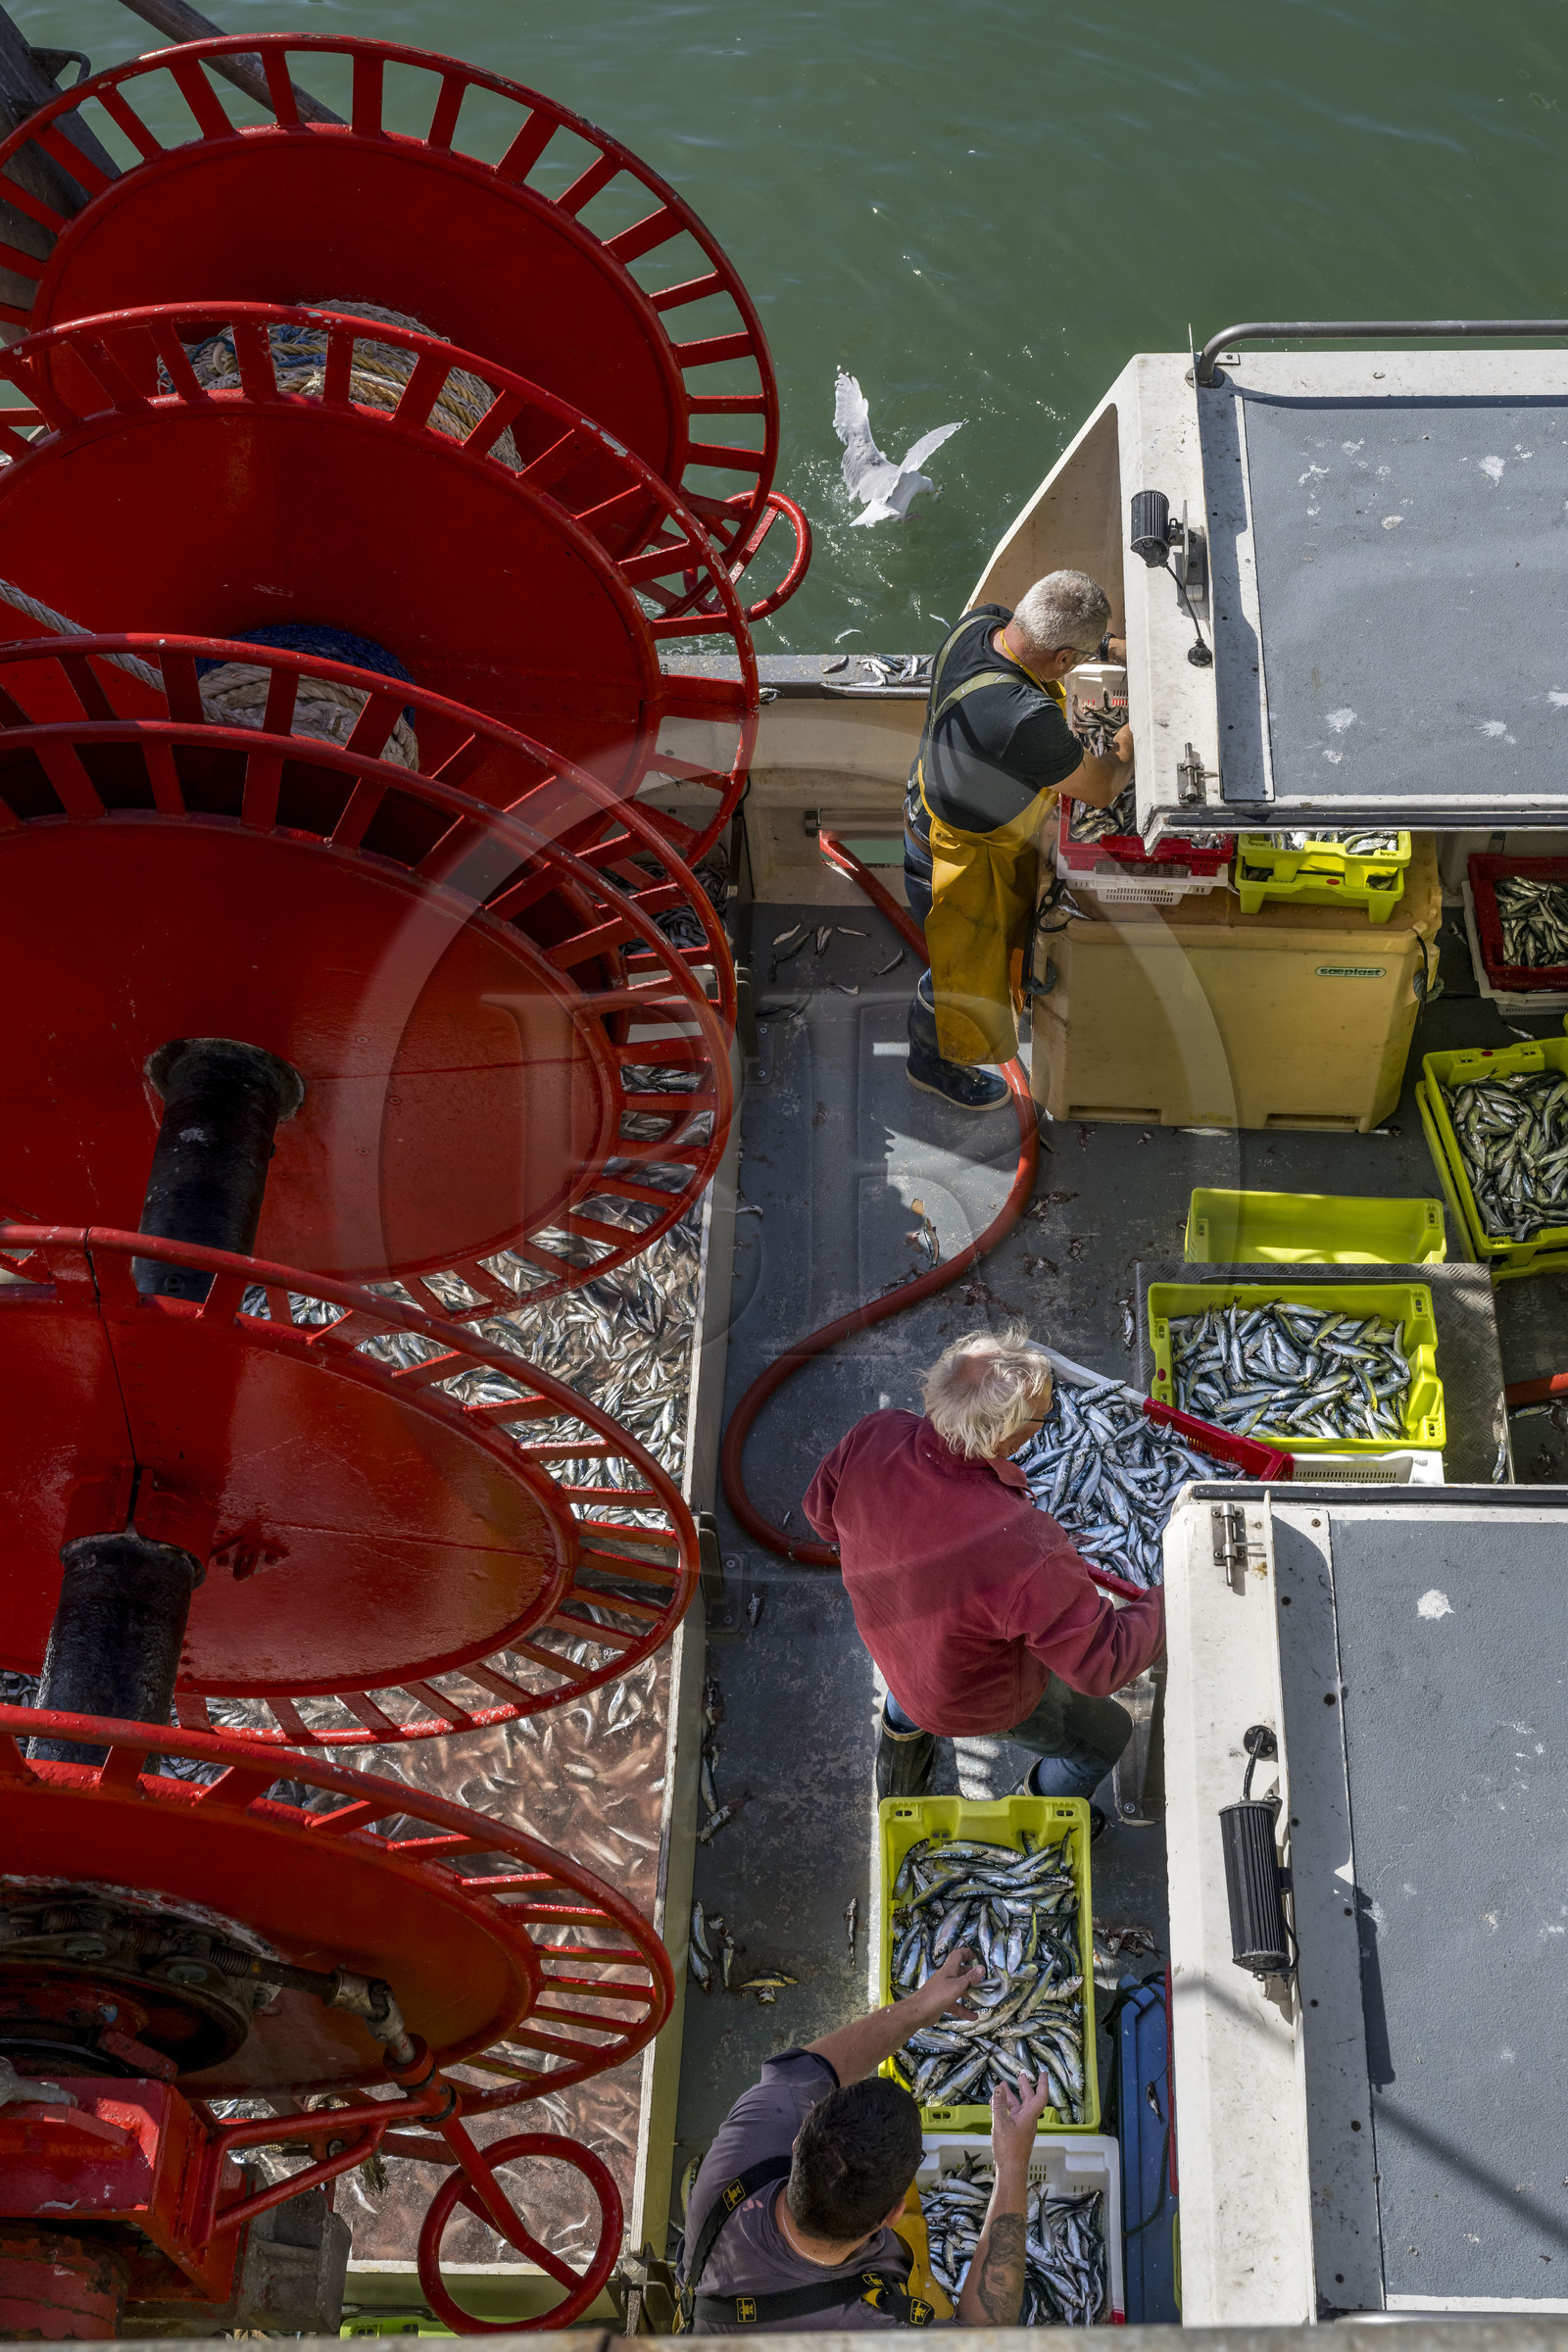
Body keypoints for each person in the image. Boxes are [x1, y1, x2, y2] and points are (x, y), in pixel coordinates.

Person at [804, 1327, 1164, 1809]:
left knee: (912, 1686)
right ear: (1006, 1435)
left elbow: (822, 1518)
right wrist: (1175, 1591)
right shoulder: (1024, 1546)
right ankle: (1030, 1827)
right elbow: (1102, 1665)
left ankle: (898, 1776)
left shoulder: (877, 1431)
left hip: (893, 1643)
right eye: (1044, 1416)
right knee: (1105, 1736)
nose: (1047, 1422)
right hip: (972, 1697)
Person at [677, 1940, 1055, 2331]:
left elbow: (815, 2067)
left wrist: (918, 2007)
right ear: (894, 2214)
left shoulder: (752, 2140)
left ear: (797, 2143)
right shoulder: (863, 2329)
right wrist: (1011, 2167)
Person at [904, 571, 1134, 1111]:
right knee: (959, 975)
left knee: (974, 963)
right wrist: (1138, 731)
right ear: (1062, 660)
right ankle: (930, 1063)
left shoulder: (979, 624)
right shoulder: (1022, 717)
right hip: (957, 860)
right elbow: (1100, 787)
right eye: (1074, 659)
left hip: (928, 808)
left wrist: (1106, 647)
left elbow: (1038, 632)